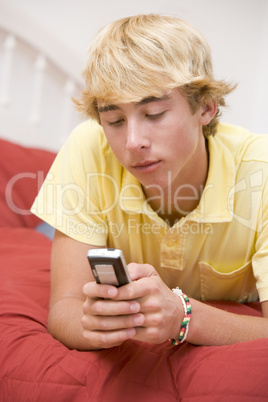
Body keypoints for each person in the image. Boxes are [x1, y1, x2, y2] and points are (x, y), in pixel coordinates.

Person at [31, 13, 268, 350]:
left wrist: (183, 317)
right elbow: (65, 308)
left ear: (206, 108)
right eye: (113, 120)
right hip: (90, 217)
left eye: (154, 114)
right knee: (37, 232)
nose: (132, 142)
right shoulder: (88, 145)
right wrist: (97, 325)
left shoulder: (262, 170)